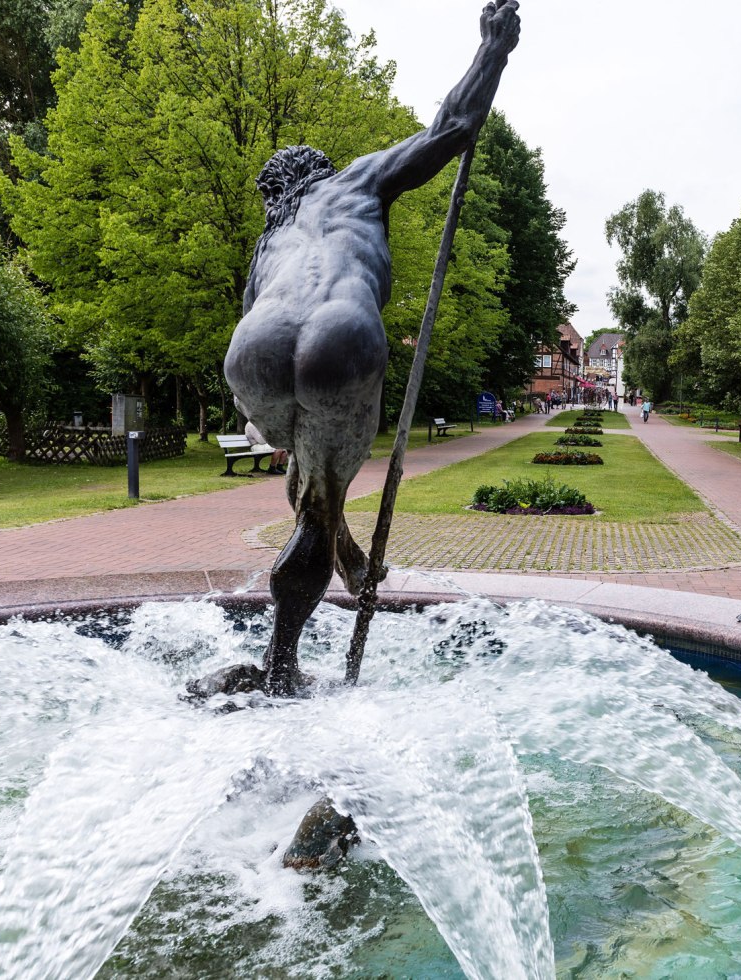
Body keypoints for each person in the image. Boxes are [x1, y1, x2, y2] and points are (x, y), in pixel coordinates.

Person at [222, 1, 520, 695]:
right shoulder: (355, 180)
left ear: (275, 194)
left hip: (253, 347)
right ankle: (283, 665)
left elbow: (248, 317)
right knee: (318, 494)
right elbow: (453, 127)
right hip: (341, 336)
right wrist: (492, 51)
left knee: (304, 469)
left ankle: (336, 544)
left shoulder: (269, 244)